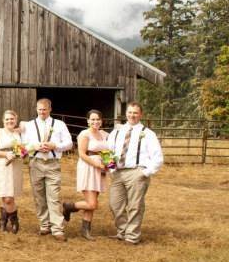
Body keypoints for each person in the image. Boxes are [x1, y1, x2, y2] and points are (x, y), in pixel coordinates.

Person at [107, 102, 164, 245]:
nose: (132, 115)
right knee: (115, 204)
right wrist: (111, 169)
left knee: (135, 205)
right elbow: (108, 152)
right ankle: (122, 231)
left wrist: (145, 173)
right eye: (130, 112)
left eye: (135, 113)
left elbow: (158, 157)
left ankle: (132, 236)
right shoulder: (117, 132)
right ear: (126, 113)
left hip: (136, 172)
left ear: (141, 115)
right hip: (118, 172)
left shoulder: (148, 134)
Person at [21, 98, 73, 241]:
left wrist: (54, 145)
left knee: (54, 197)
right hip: (35, 163)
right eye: (39, 109)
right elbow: (23, 144)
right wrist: (34, 146)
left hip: (52, 163)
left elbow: (69, 143)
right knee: (39, 196)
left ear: (50, 109)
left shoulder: (59, 124)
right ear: (36, 109)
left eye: (45, 109)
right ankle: (44, 225)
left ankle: (57, 229)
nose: (42, 112)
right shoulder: (29, 125)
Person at [63, 109, 110, 240]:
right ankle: (69, 206)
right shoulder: (84, 134)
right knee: (92, 203)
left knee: (93, 201)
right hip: (89, 167)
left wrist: (108, 164)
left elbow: (108, 151)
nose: (95, 122)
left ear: (102, 121)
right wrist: (97, 165)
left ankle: (86, 230)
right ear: (88, 121)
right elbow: (82, 154)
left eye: (98, 119)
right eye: (92, 119)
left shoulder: (105, 134)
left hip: (101, 169)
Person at [0, 110, 24, 233]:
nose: (9, 121)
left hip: (16, 165)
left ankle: (3, 221)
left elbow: (24, 148)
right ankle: (14, 221)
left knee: (9, 195)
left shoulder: (19, 134)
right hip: (1, 165)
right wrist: (5, 154)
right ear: (3, 121)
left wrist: (22, 153)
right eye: (7, 119)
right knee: (7, 197)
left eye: (12, 119)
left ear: (16, 120)